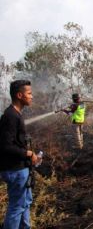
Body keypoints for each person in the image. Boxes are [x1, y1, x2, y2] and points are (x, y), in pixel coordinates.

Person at [0, 80, 41, 229]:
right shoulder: (11, 116)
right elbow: (5, 146)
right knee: (16, 208)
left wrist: (29, 156)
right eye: (29, 93)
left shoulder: (16, 114)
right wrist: (28, 153)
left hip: (21, 168)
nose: (32, 96)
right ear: (19, 95)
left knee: (25, 203)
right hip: (15, 169)